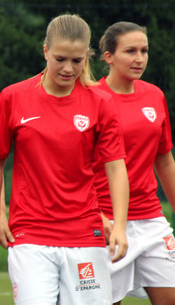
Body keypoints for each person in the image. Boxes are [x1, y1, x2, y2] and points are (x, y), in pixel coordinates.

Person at [0, 14, 130, 305]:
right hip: (29, 234)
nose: (68, 68)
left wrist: (121, 227)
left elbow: (115, 168)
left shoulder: (100, 102)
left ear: (87, 56)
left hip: (85, 233)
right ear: (45, 51)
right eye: (60, 58)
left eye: (77, 61)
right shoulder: (13, 97)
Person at [94, 21, 175, 305]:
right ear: (109, 57)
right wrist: (95, 215)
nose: (139, 58)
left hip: (151, 218)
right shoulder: (91, 98)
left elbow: (164, 160)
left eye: (144, 50)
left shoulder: (154, 95)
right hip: (105, 220)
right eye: (130, 51)